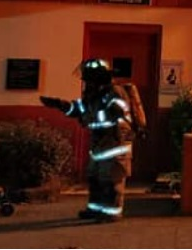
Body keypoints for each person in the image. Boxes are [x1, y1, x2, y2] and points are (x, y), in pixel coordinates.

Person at [40, 58, 134, 222]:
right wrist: (60, 105)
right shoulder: (93, 95)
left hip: (114, 145)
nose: (86, 83)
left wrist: (88, 116)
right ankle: (96, 209)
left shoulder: (115, 92)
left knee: (110, 180)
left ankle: (111, 213)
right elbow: (78, 109)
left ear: (98, 78)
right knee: (95, 178)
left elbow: (116, 113)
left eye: (89, 79)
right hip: (100, 145)